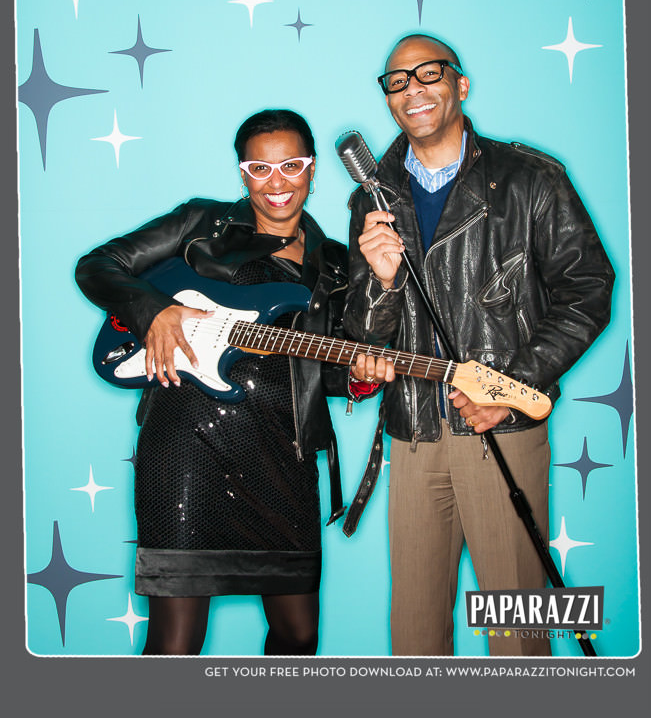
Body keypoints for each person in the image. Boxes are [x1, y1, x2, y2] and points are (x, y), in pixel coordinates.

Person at [343, 34, 614, 657]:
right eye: (397, 81)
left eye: (429, 73)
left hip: (503, 430)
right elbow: (365, 337)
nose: (414, 89)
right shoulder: (371, 196)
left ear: (460, 85)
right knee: (414, 636)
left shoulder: (530, 178)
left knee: (515, 631)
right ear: (388, 101)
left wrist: (509, 392)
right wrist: (381, 283)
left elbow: (588, 290)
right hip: (411, 434)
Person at [76, 109, 359, 656]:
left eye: (292, 166)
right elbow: (98, 265)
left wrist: (362, 379)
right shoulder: (201, 223)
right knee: (177, 641)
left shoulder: (336, 265)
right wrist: (154, 310)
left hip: (284, 453)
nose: (277, 182)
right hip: (188, 446)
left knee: (298, 636)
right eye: (260, 168)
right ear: (242, 173)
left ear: (313, 169)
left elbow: (326, 374)